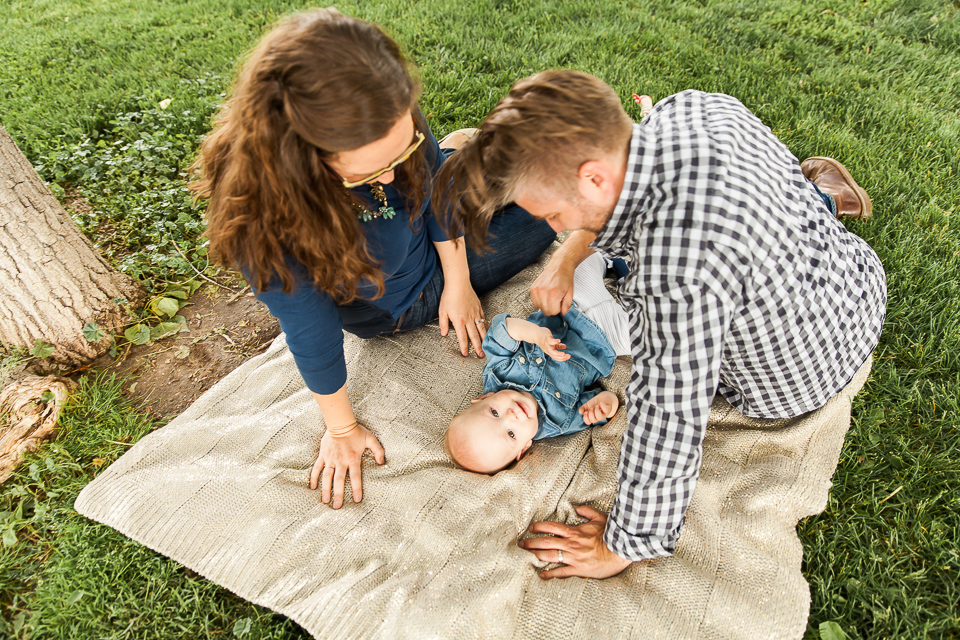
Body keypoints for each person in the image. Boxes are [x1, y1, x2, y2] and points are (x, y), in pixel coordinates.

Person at [434, 70, 886, 580]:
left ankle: (824, 195)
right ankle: (822, 194)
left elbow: (670, 415)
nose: (558, 231)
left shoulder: (677, 274)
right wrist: (564, 262)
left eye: (556, 216)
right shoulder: (696, 108)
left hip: (796, 375)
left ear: (594, 178)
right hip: (854, 280)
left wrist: (623, 546)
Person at [189, 9, 555, 510]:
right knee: (546, 218)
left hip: (435, 241)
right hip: (400, 298)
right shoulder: (266, 221)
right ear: (306, 160)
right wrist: (341, 427)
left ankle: (453, 153)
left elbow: (428, 191)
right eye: (372, 171)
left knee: (535, 171)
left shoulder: (385, 108)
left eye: (401, 149)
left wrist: (459, 279)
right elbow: (311, 332)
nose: (392, 174)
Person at [446, 252, 628, 474]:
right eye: (511, 434)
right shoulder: (557, 423)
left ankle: (612, 253)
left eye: (495, 412)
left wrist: (535, 335)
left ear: (484, 398)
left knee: (584, 255)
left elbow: (500, 329)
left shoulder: (501, 372)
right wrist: (606, 404)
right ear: (525, 447)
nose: (511, 416)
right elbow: (592, 407)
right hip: (608, 339)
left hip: (568, 303)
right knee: (662, 338)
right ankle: (636, 286)